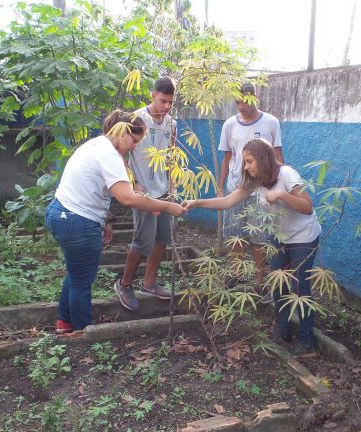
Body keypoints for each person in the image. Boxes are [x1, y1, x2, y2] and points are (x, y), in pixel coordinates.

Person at [45, 110, 188, 334]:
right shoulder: (108, 155)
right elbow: (127, 197)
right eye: (134, 140)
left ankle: (65, 322)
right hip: (77, 221)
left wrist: (108, 220)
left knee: (76, 274)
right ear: (122, 132)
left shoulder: (97, 145)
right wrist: (168, 206)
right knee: (82, 282)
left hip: (62, 214)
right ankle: (84, 331)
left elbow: (97, 189)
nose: (134, 147)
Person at [184, 138, 321, 355]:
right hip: (280, 237)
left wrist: (282, 195)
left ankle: (307, 342)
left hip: (303, 237)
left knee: (299, 289)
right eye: (244, 162)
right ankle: (283, 330)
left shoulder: (286, 174)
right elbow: (228, 201)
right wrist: (197, 202)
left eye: (249, 161)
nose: (246, 167)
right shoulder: (255, 180)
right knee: (277, 284)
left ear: (263, 158)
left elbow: (307, 206)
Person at [114, 77, 178, 311]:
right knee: (142, 241)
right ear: (153, 95)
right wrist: (134, 184)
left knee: (162, 239)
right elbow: (122, 153)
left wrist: (173, 187)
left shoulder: (171, 123)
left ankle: (149, 283)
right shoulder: (136, 119)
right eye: (162, 101)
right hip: (142, 191)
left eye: (170, 102)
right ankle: (125, 283)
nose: (166, 107)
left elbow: (172, 154)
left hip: (163, 191)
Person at [217, 82, 283, 292]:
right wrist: (221, 188)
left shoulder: (271, 122)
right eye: (237, 101)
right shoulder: (229, 124)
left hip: (261, 190)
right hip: (235, 188)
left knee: (259, 236)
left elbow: (278, 157)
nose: (241, 105)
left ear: (255, 97)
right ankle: (236, 273)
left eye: (245, 100)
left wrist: (279, 186)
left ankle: (259, 277)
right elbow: (227, 158)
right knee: (235, 234)